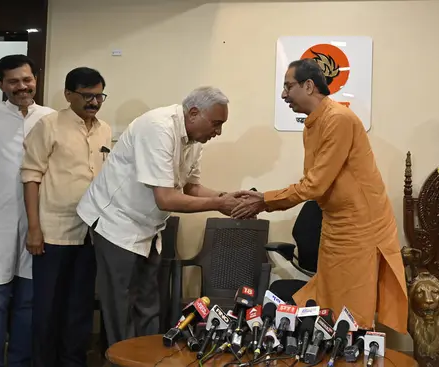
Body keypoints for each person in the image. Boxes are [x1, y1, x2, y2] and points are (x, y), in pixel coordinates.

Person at [232, 59, 409, 333]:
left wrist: (265, 200)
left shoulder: (338, 119)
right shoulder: (313, 124)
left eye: (288, 86)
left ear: (309, 85)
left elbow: (313, 186)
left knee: (351, 309)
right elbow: (314, 183)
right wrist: (265, 199)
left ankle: (352, 356)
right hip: (335, 222)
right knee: (328, 301)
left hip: (360, 225)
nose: (283, 95)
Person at [77, 86, 243, 346]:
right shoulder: (158, 127)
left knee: (149, 302)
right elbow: (166, 198)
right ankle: (124, 363)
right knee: (121, 306)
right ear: (194, 112)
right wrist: (219, 204)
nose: (218, 132)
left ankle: (148, 358)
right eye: (216, 124)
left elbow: (191, 187)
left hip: (148, 227)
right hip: (115, 223)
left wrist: (228, 198)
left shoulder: (194, 139)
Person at [21, 67, 111, 367]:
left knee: (79, 309)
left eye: (99, 96)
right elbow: (31, 177)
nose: (94, 102)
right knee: (47, 309)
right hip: (53, 233)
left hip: (91, 233)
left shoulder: (105, 130)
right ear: (69, 94)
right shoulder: (49, 125)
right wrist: (34, 228)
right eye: (87, 96)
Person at [0, 54, 55, 367]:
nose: (22, 86)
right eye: (14, 81)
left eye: (27, 79)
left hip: (39, 223)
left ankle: (20, 363)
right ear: (1, 85)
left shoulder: (50, 117)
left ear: (35, 79)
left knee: (29, 300)